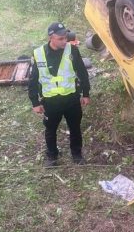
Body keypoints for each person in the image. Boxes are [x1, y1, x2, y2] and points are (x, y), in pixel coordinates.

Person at [28, 22, 90, 167]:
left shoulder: (72, 51)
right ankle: (52, 156)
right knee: (50, 129)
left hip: (71, 99)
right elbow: (33, 79)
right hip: (50, 102)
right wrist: (35, 103)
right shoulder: (38, 54)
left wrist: (85, 94)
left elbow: (82, 73)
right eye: (60, 38)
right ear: (51, 38)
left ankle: (77, 154)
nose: (64, 41)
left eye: (65, 38)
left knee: (75, 127)